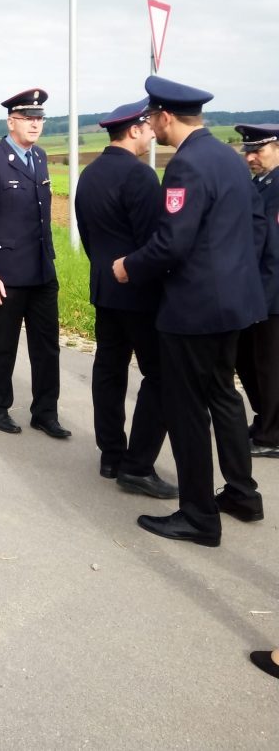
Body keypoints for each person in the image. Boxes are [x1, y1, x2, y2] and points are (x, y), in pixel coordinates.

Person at [113, 76, 266, 547]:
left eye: (152, 118)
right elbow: (255, 224)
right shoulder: (227, 156)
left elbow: (172, 243)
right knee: (224, 395)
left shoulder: (186, 164)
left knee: (186, 411)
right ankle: (242, 494)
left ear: (164, 116)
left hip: (194, 310)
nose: (151, 127)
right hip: (234, 303)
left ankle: (199, 516)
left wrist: (128, 267)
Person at [74, 99, 178, 499]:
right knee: (161, 376)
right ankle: (138, 465)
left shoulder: (90, 174)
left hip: (105, 290)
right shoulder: (139, 175)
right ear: (133, 130)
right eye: (147, 127)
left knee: (109, 371)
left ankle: (111, 455)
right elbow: (153, 242)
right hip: (140, 294)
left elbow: (88, 235)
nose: (151, 133)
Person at [0, 88, 70, 440]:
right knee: (2, 344)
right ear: (11, 122)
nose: (35, 124)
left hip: (41, 271)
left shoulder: (39, 157)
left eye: (39, 118)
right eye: (28, 118)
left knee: (47, 347)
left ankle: (45, 412)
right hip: (6, 275)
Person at [234, 123, 279, 458]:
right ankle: (266, 419)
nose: (251, 157)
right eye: (247, 151)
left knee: (268, 365)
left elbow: (273, 250)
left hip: (272, 293)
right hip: (254, 291)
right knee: (248, 360)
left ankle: (271, 435)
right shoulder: (260, 184)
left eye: (258, 150)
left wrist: (259, 297)